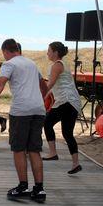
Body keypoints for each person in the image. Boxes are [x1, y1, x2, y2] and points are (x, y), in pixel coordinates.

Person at [0, 39, 47, 203]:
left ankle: (22, 186)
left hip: (21, 111)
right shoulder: (32, 63)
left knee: (18, 149)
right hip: (38, 110)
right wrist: (39, 100)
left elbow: (0, 83)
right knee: (34, 150)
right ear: (17, 49)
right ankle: (39, 189)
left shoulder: (9, 64)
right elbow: (43, 86)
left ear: (5, 51)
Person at [42, 41, 82, 174]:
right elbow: (52, 86)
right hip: (72, 101)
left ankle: (53, 153)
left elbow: (51, 84)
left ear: (55, 52)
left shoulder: (57, 65)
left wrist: (40, 95)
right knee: (67, 133)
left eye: (49, 50)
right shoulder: (62, 64)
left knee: (47, 123)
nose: (47, 53)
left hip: (66, 100)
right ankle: (76, 164)